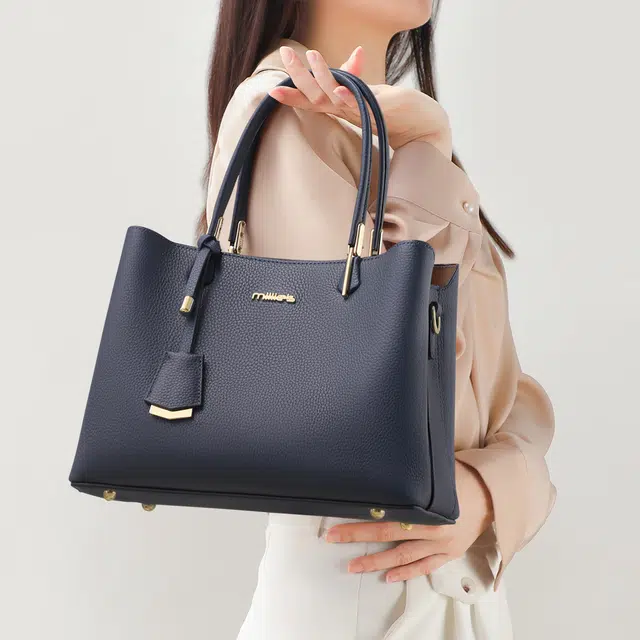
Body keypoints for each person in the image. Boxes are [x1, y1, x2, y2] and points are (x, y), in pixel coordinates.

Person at [197, 1, 556, 638]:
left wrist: (485, 492)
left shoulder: (386, 130)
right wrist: (428, 149)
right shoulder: (281, 112)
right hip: (361, 588)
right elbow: (357, 387)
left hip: (443, 586)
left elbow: (508, 401)